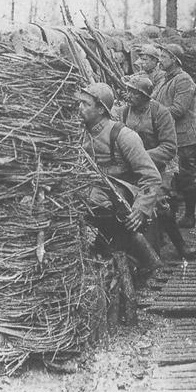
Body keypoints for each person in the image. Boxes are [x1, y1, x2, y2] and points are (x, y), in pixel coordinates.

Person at [76, 82, 163, 279]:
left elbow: (150, 176)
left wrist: (141, 209)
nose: (79, 108)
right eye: (79, 103)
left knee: (94, 201)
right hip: (95, 188)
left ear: (100, 109)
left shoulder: (123, 135)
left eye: (85, 104)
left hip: (121, 193)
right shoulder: (80, 133)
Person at [116, 75, 196, 259]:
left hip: (161, 166)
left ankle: (180, 245)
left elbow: (169, 148)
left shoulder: (160, 113)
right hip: (132, 167)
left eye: (134, 93)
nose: (128, 95)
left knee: (159, 201)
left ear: (145, 96)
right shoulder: (122, 112)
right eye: (128, 90)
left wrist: (140, 157)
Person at [153, 43, 196, 229]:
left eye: (164, 57)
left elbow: (179, 110)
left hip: (184, 137)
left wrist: (154, 114)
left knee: (186, 176)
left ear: (174, 60)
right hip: (170, 134)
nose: (160, 60)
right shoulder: (165, 79)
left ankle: (190, 216)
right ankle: (172, 216)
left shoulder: (183, 80)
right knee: (171, 176)